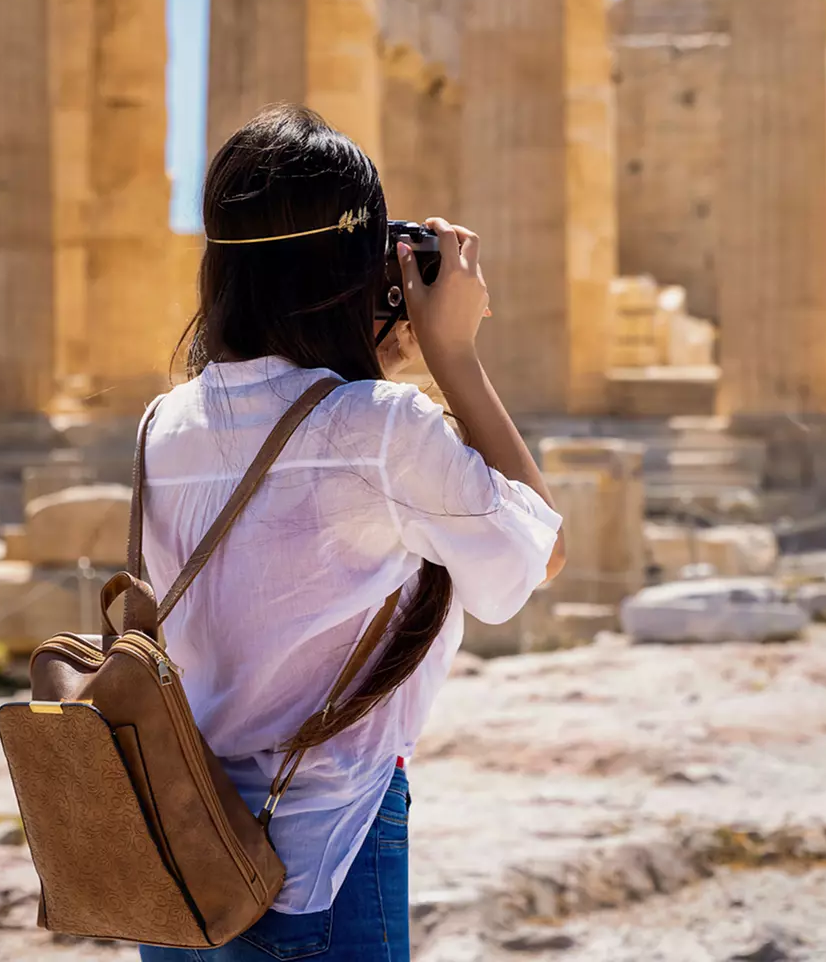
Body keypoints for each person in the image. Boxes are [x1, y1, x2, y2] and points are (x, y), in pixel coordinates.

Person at [135, 105, 565, 962]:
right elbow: (535, 557)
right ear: (361, 266)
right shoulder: (380, 426)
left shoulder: (162, 423)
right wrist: (454, 355)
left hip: (179, 860)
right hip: (320, 855)